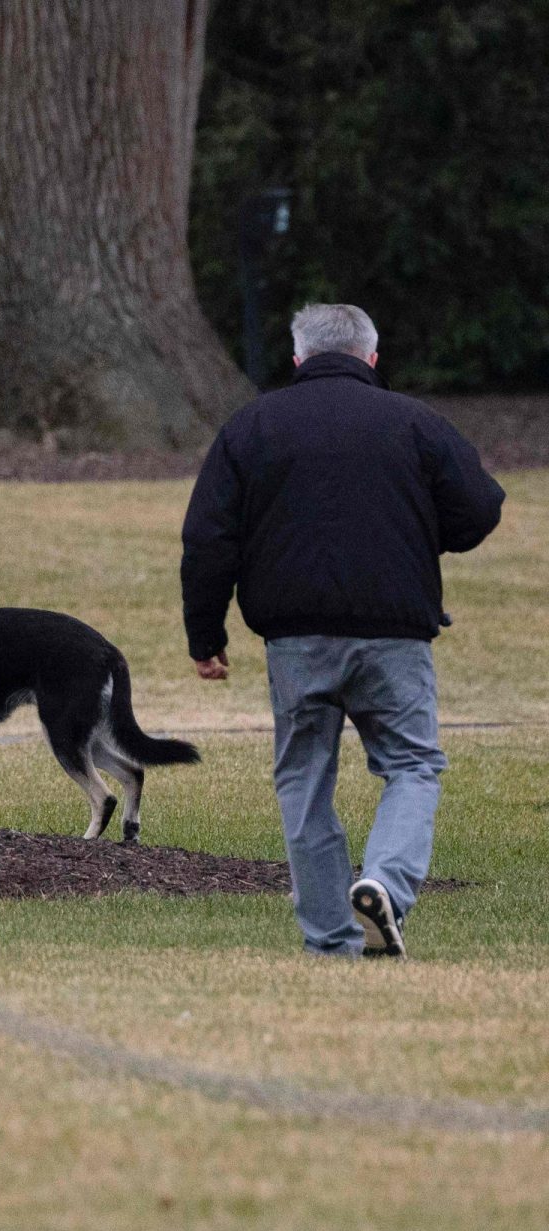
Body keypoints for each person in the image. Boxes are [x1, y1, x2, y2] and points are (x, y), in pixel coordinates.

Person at [180, 303, 505, 957]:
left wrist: (204, 633)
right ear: (372, 358)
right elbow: (480, 505)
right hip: (395, 631)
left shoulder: (253, 426)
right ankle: (385, 880)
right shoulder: (413, 421)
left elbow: (208, 538)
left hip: (295, 636)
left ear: (298, 359)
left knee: (304, 775)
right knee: (412, 762)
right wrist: (419, 535)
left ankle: (331, 940)